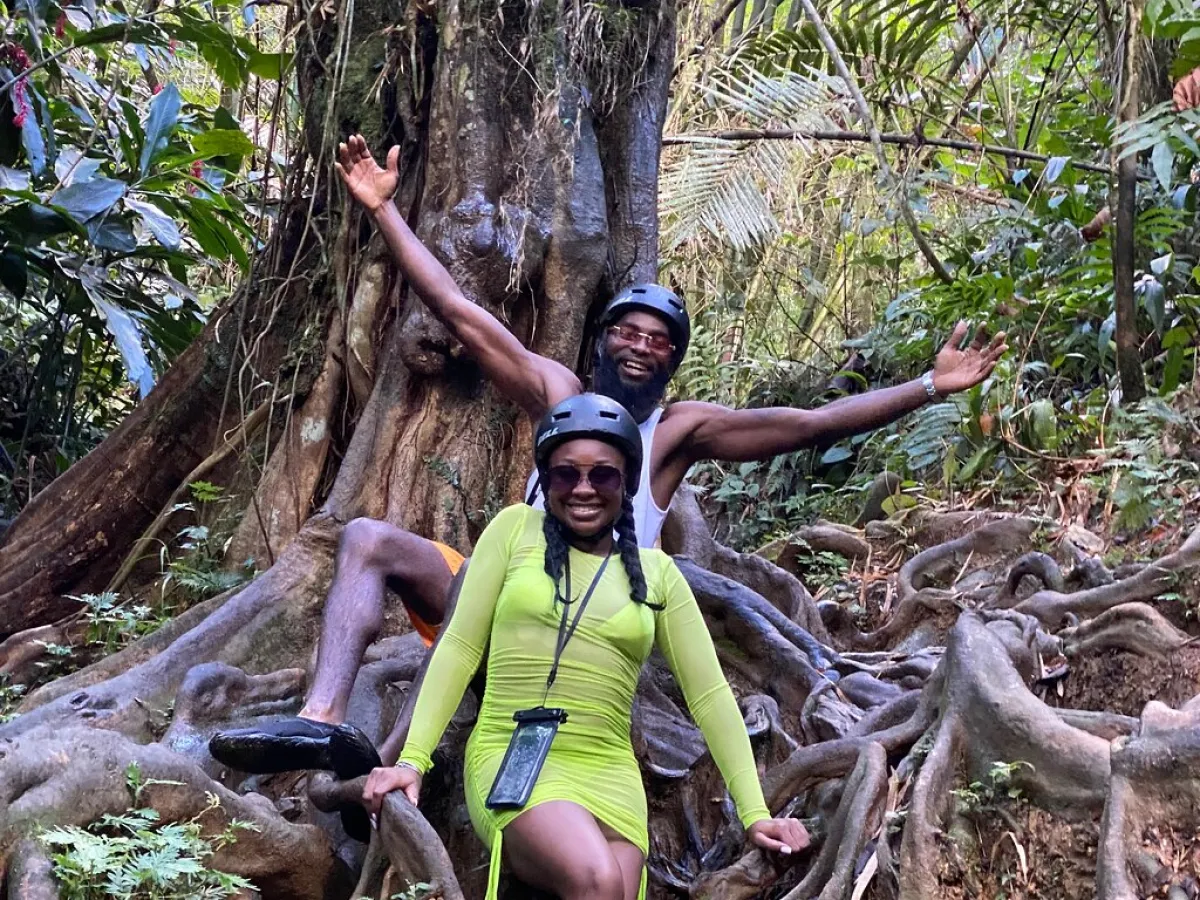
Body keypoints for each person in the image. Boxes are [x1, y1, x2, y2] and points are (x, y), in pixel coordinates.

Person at [209, 134, 1006, 799]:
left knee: (449, 730)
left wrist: (930, 384)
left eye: (659, 340)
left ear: (672, 362)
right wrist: (384, 209)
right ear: (602, 341)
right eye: (628, 330)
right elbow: (458, 309)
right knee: (367, 540)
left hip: (587, 626)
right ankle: (318, 724)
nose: (641, 344)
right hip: (499, 589)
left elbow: (811, 423)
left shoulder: (676, 434)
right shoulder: (555, 390)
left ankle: (378, 788)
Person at [366, 393, 809, 900]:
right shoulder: (514, 531)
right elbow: (460, 647)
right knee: (594, 879)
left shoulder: (658, 573)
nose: (583, 489)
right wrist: (411, 761)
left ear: (626, 483)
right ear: (545, 479)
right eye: (565, 474)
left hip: (611, 772)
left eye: (602, 475)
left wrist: (754, 814)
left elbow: (709, 697)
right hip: (513, 754)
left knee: (613, 888)